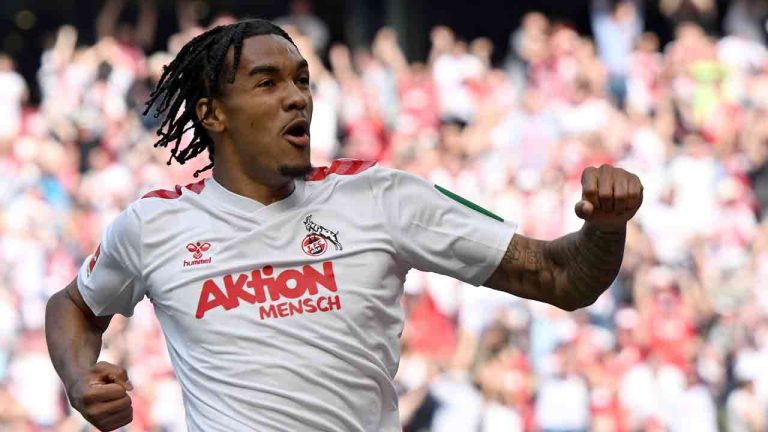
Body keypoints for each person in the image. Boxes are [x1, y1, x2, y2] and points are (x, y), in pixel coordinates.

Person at [44, 19, 644, 432]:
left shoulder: (381, 196)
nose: (298, 98)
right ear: (212, 113)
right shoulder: (154, 225)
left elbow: (563, 278)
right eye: (268, 82)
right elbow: (72, 306)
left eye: (302, 80)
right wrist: (77, 378)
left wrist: (607, 227)